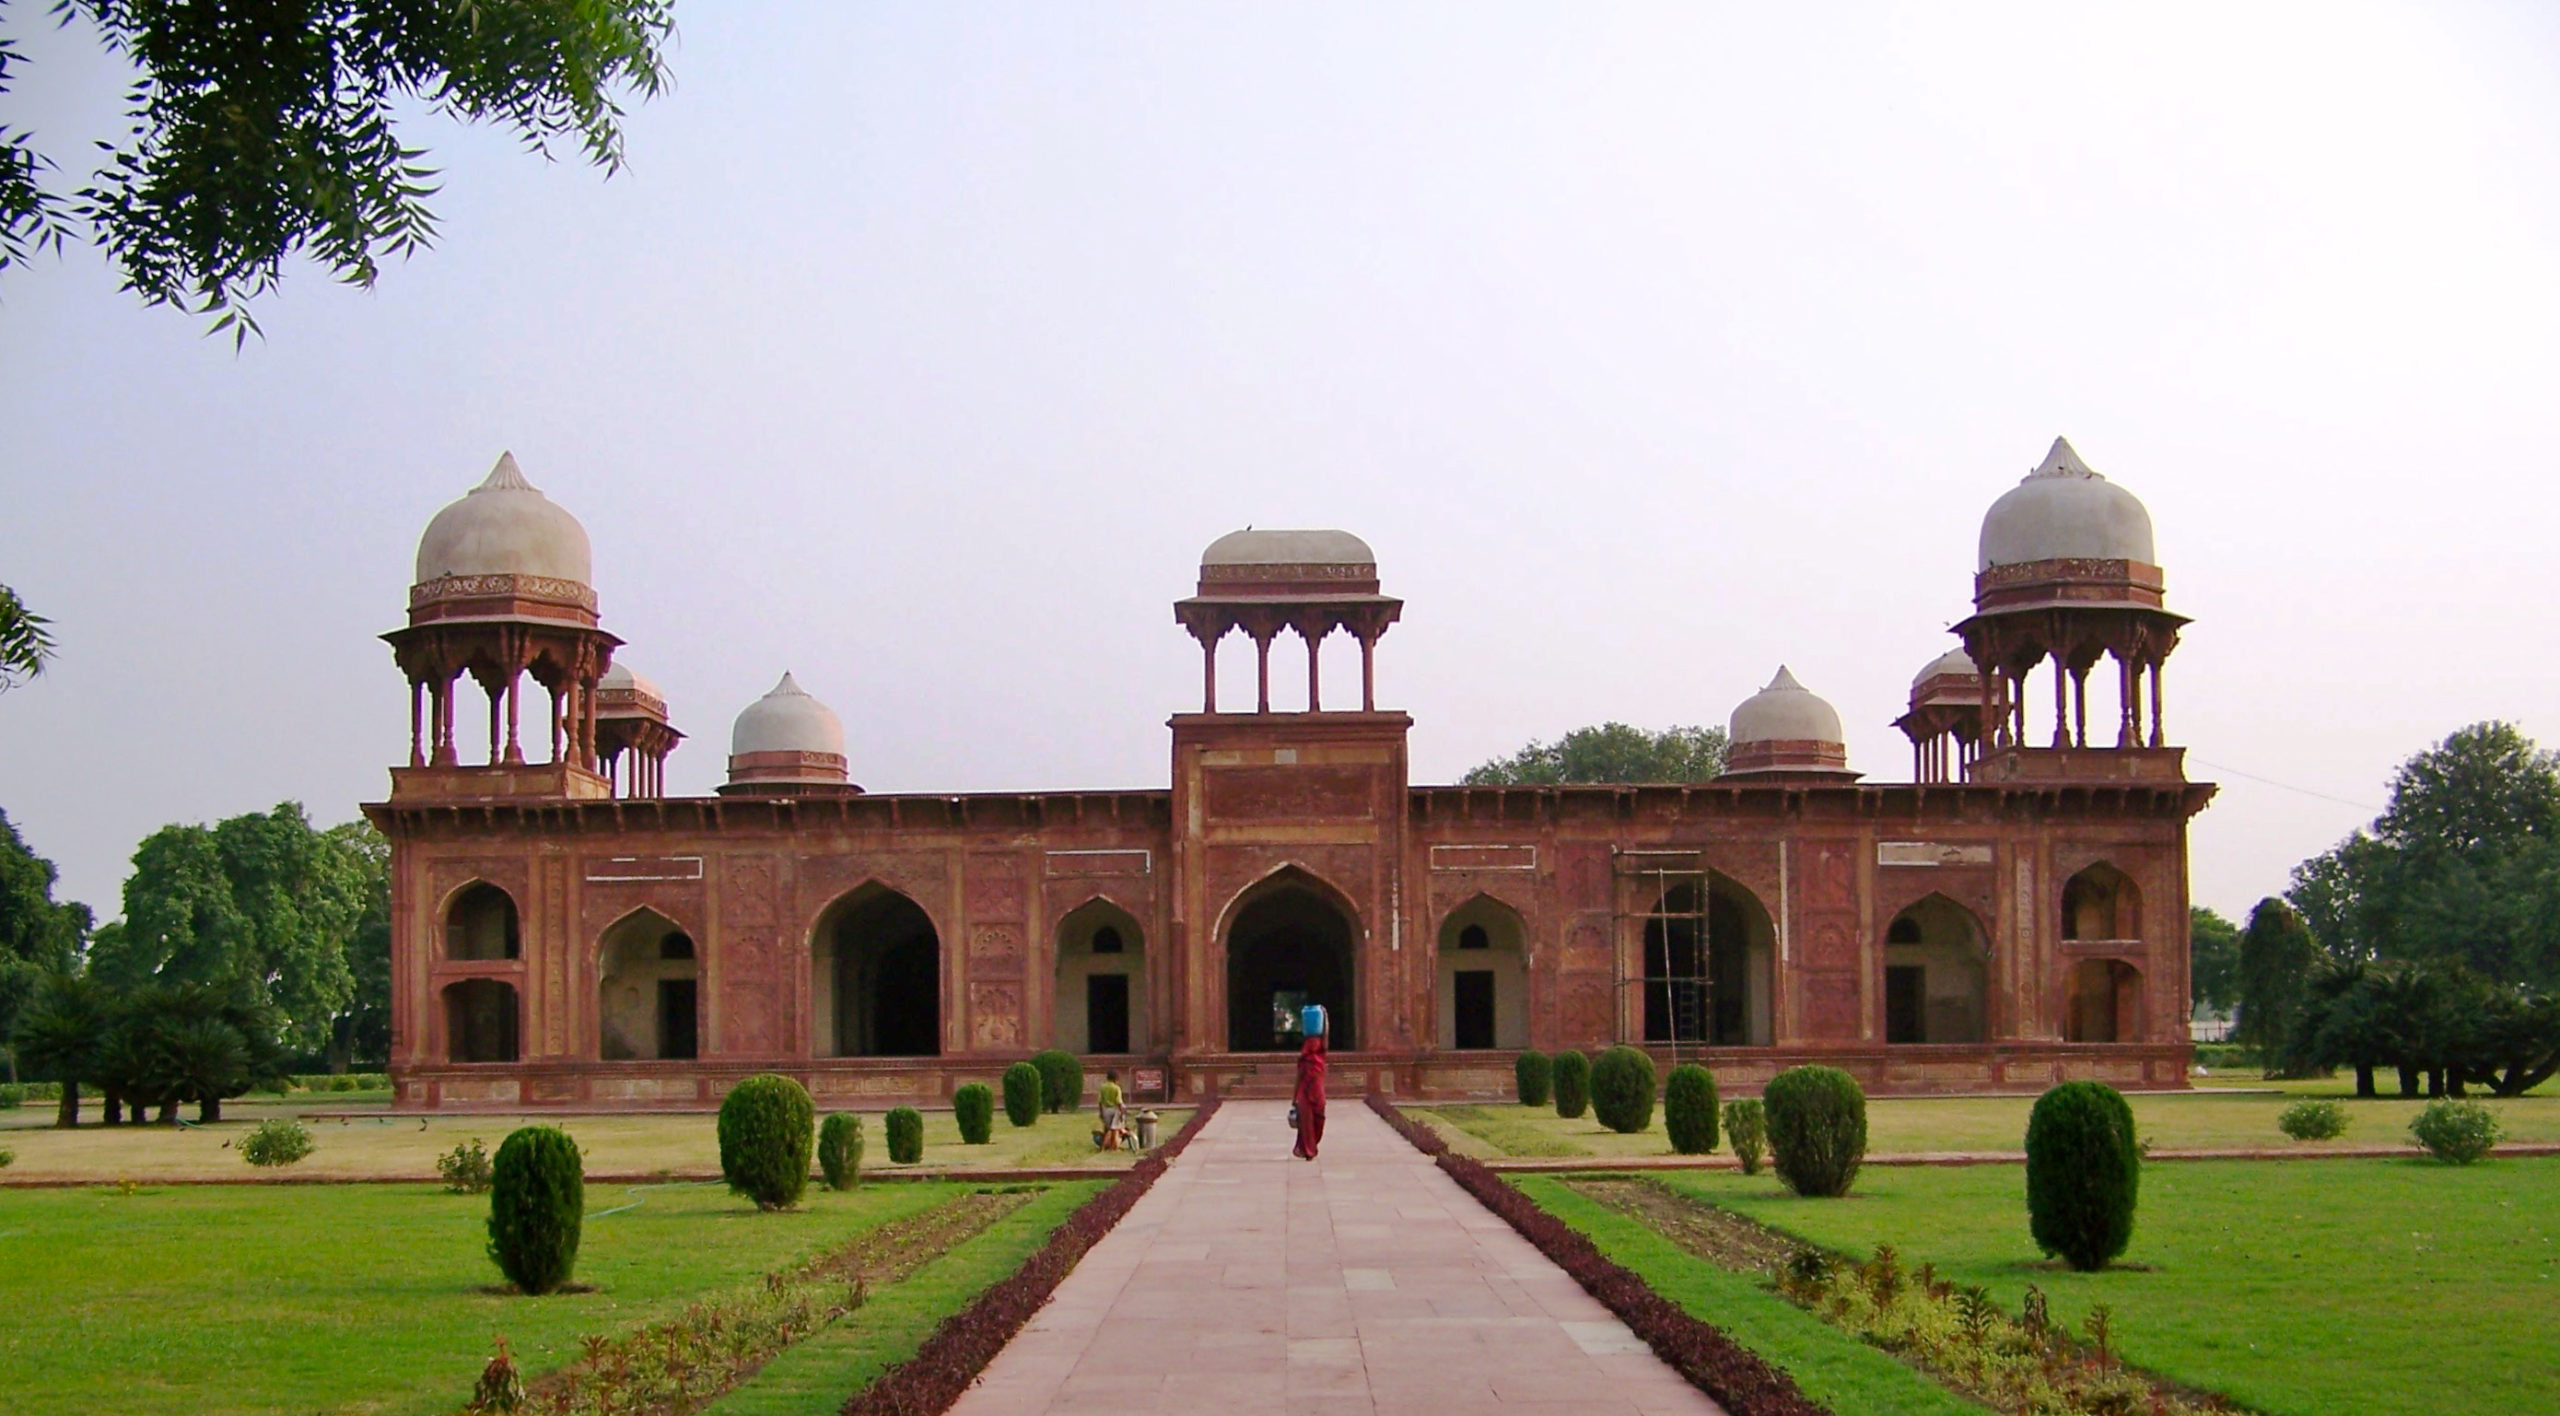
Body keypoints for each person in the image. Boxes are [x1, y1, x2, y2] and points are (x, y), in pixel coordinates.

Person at [1291, 1031, 1328, 1160]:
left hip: (1317, 1094)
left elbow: (1325, 1039)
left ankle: (1309, 1147)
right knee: (1306, 1123)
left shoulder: (1320, 1058)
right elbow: (1298, 1079)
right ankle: (1308, 1150)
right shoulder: (1304, 1061)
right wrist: (1294, 1098)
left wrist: (1325, 1018)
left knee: (1319, 1119)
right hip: (1305, 1094)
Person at [1098, 1069, 1129, 1150]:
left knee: (1106, 1129)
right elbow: (1119, 1101)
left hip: (1105, 1110)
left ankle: (1102, 1147)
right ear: (1116, 1078)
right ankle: (1113, 1147)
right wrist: (1122, 1112)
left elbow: (1100, 1101)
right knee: (1114, 1130)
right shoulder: (1116, 1088)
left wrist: (1101, 1112)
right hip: (1115, 1110)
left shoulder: (1102, 1087)